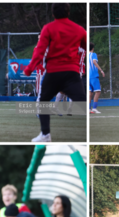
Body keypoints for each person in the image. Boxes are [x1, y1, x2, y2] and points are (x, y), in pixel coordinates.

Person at [23, 3, 87, 142]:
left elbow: (39, 51)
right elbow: (85, 46)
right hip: (72, 72)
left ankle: (45, 134)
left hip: (53, 72)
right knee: (82, 102)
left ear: (53, 14)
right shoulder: (79, 29)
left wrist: (29, 69)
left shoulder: (48, 28)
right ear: (69, 12)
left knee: (43, 102)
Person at [89, 42, 105, 114]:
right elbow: (94, 62)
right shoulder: (93, 54)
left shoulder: (87, 54)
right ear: (93, 48)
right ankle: (94, 108)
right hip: (94, 76)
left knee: (90, 93)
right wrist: (101, 70)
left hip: (89, 76)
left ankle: (89, 109)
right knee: (98, 92)